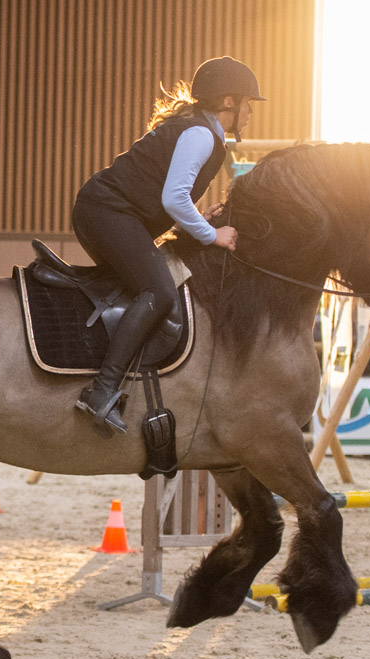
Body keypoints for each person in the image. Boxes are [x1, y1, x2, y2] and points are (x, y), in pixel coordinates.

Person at [70, 56, 260, 433]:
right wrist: (212, 234)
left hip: (105, 211)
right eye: (247, 102)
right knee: (158, 291)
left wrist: (197, 220)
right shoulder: (201, 135)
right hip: (106, 212)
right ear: (227, 102)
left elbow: (168, 199)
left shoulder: (199, 131)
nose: (250, 110)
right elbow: (174, 199)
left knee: (143, 287)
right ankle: (102, 391)